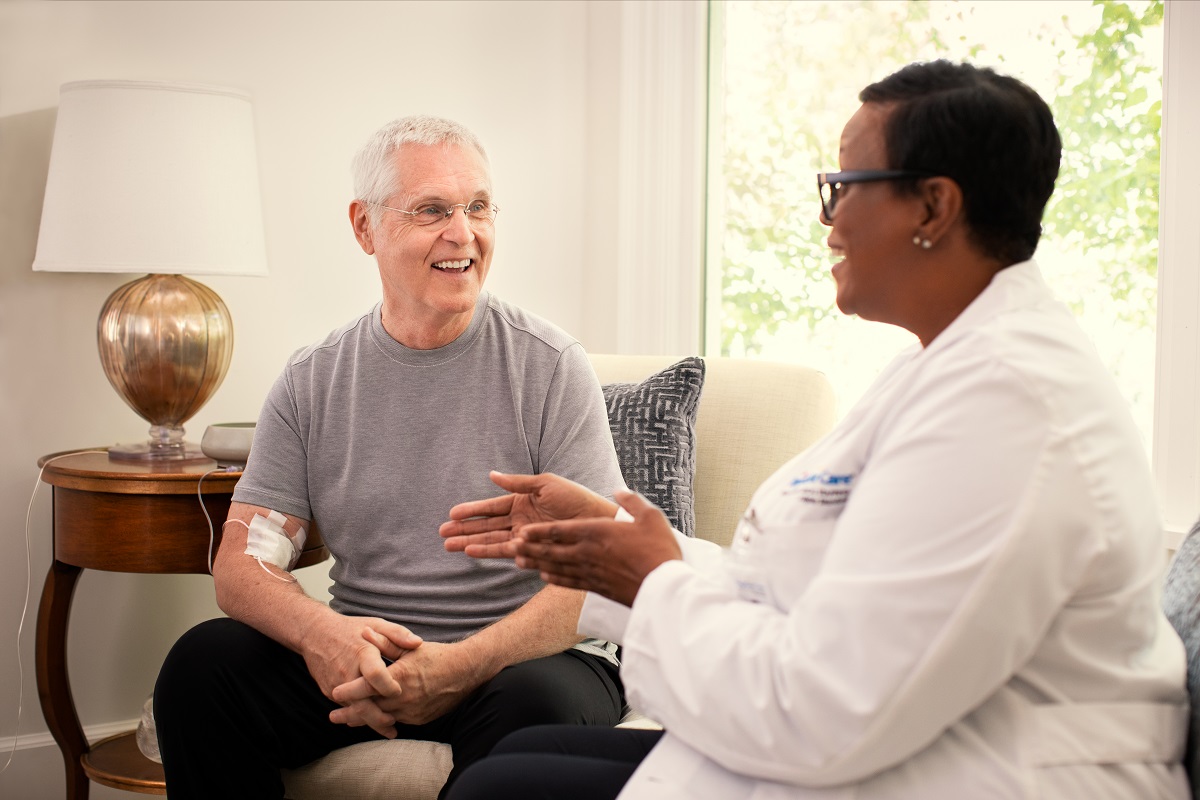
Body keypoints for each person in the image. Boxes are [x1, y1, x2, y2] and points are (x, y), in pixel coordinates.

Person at [439, 61, 1190, 799]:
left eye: (843, 187)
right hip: (889, 740)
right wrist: (610, 538)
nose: (827, 220)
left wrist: (650, 579)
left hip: (976, 769)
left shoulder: (1011, 406)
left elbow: (826, 709)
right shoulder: (938, 369)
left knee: (504, 783)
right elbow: (791, 589)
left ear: (934, 207)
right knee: (523, 756)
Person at [153, 116, 628, 800]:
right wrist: (327, 637)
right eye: (432, 209)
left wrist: (458, 668)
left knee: (534, 715)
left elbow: (595, 577)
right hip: (365, 661)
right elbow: (242, 564)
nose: (462, 233)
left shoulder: (551, 367)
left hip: (521, 662)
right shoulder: (313, 379)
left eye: (479, 207)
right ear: (365, 226)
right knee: (202, 666)